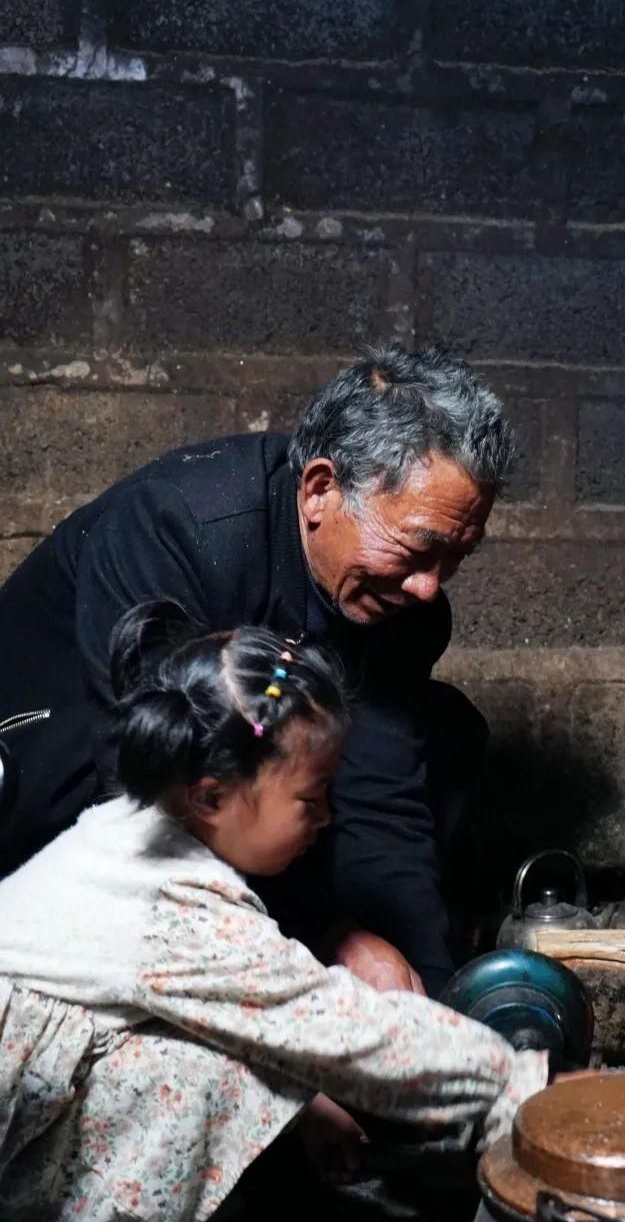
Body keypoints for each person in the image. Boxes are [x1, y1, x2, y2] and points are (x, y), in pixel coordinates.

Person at [0, 604, 549, 1222]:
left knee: (233, 1050)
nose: (326, 820)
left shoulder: (131, 829)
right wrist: (514, 1083)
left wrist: (299, 1109)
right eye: (312, 799)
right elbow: (345, 1028)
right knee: (204, 1074)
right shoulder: (177, 913)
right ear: (211, 795)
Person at [0, 344, 510, 996]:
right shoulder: (179, 527)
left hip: (227, 773)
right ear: (321, 490)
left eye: (457, 557)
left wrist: (427, 995)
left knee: (443, 735)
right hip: (70, 767)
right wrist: (322, 935)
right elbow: (151, 786)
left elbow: (384, 797)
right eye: (418, 549)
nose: (429, 587)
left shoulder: (405, 605)